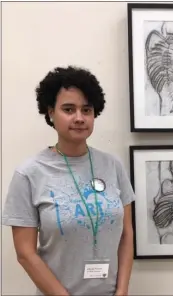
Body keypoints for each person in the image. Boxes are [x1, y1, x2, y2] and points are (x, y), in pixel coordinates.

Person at [2, 66, 135, 296]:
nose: (79, 118)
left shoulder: (113, 166)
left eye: (86, 110)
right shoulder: (29, 174)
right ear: (50, 112)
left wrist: (122, 291)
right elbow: (25, 253)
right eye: (68, 109)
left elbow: (126, 234)